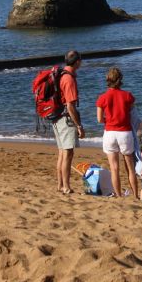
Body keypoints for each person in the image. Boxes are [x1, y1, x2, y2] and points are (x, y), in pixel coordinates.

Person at [96, 67, 138, 198]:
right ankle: (136, 195)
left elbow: (99, 119)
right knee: (130, 168)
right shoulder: (127, 96)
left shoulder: (102, 98)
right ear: (120, 80)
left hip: (110, 132)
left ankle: (119, 195)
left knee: (114, 168)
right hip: (124, 132)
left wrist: (109, 120)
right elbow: (132, 114)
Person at [53, 50, 85, 195]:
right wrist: (79, 125)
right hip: (66, 119)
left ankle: (60, 185)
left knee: (61, 153)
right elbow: (71, 106)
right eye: (80, 60)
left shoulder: (60, 74)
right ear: (77, 61)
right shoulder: (69, 79)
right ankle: (66, 186)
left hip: (56, 117)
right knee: (68, 154)